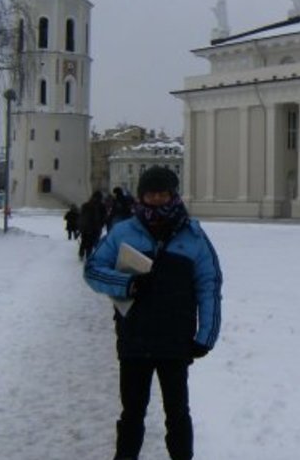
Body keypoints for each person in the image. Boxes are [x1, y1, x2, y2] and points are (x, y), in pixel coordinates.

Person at [84, 166, 222, 460]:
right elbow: (93, 270)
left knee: (177, 414)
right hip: (135, 339)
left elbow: (209, 285)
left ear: (173, 194)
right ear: (142, 196)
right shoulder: (124, 232)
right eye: (151, 193)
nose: (157, 199)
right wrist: (127, 283)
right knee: (132, 413)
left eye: (163, 193)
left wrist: (206, 335)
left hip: (175, 341)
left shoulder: (193, 237)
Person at [79, 191, 106, 260]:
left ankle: (82, 253)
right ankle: (87, 255)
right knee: (91, 242)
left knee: (84, 241)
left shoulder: (86, 205)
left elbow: (81, 216)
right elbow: (104, 217)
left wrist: (81, 226)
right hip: (94, 227)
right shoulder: (101, 206)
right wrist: (101, 224)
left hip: (87, 227)